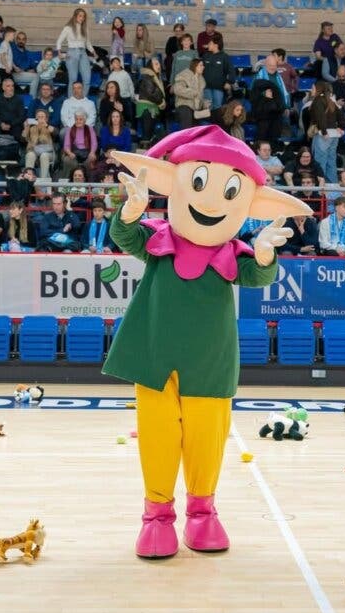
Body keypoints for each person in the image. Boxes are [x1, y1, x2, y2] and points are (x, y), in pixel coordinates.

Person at [101, 126, 310, 560]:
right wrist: (130, 211)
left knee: (207, 436)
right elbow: (125, 237)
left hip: (210, 362)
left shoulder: (233, 255)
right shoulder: (159, 240)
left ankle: (202, 513)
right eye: (198, 183)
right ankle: (156, 516)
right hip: (154, 354)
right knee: (157, 435)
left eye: (231, 192)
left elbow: (257, 276)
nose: (211, 202)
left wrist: (267, 254)